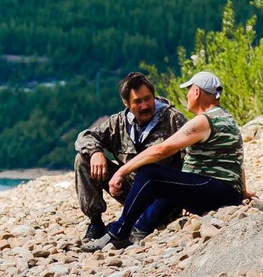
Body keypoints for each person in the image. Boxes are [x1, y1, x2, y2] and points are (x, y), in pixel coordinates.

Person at [81, 70, 249, 252]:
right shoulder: (224, 116)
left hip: (215, 190)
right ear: (126, 103)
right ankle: (115, 226)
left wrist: (122, 171)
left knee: (149, 173)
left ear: (197, 93)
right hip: (224, 190)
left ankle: (120, 232)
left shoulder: (202, 121)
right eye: (137, 101)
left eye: (189, 90)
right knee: (149, 174)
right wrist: (243, 190)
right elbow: (235, 159)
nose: (187, 95)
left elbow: (162, 149)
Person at [71, 72, 189, 242]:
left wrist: (189, 198)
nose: (145, 105)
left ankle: (136, 225)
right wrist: (96, 152)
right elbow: (85, 136)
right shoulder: (118, 123)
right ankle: (95, 223)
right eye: (138, 102)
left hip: (166, 194)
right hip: (131, 191)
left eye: (148, 99)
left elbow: (192, 155)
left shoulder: (173, 119)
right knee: (83, 160)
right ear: (126, 103)